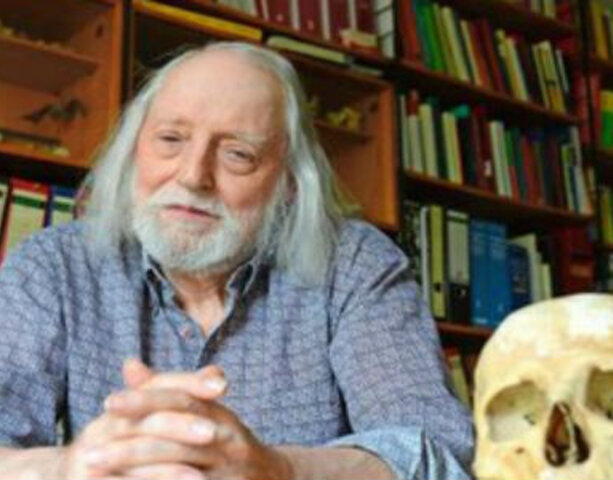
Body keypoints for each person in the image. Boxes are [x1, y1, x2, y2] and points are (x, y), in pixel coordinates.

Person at [0, 41, 473, 479]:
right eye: (171, 139)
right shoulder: (52, 265)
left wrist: (277, 470)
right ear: (134, 150)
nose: (193, 176)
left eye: (238, 154)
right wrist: (71, 466)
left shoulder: (353, 263)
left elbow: (435, 449)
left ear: (289, 183)